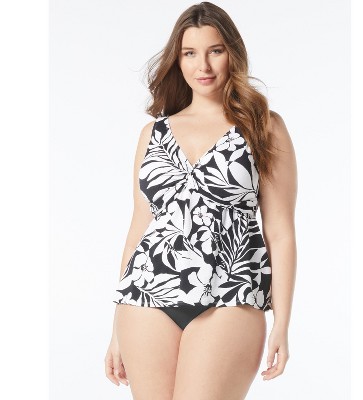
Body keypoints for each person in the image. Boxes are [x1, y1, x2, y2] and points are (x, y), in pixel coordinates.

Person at [104, 2, 297, 399]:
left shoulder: (263, 127)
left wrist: (282, 322)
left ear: (233, 54)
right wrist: (115, 329)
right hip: (146, 295)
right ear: (177, 60)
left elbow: (280, 232)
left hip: (232, 294)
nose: (203, 65)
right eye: (190, 53)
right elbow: (140, 227)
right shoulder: (153, 134)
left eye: (215, 50)